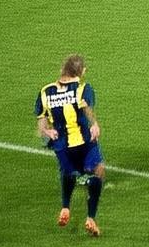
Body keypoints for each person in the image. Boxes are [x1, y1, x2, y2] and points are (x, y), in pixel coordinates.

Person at [36, 54, 105, 237]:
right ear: (80, 71)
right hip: (84, 141)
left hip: (61, 145)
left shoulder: (45, 92)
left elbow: (41, 123)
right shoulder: (82, 88)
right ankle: (91, 217)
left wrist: (47, 132)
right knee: (98, 171)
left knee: (68, 172)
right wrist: (94, 124)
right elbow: (86, 107)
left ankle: (66, 206)